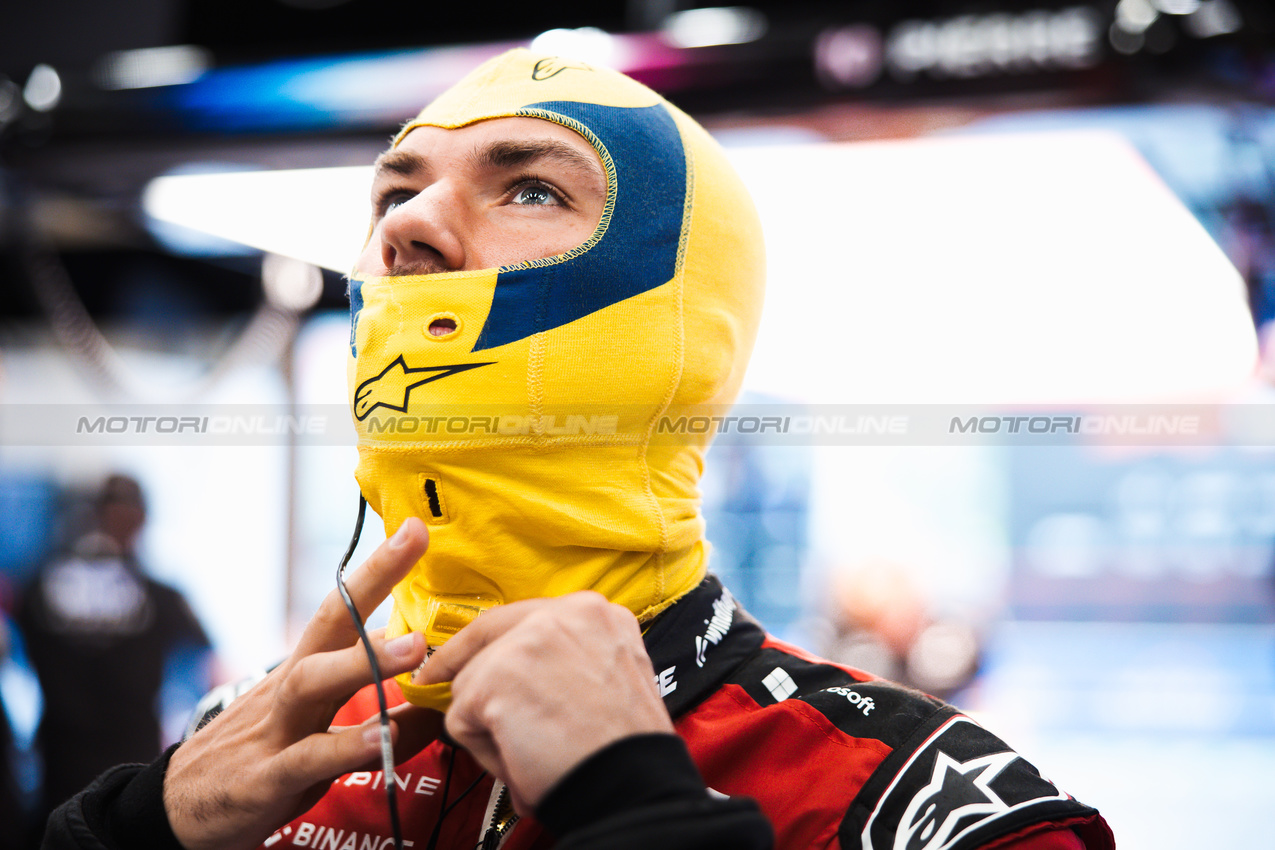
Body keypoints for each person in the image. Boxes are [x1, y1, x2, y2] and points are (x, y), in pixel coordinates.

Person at [42, 50, 1114, 850]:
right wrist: (134, 830)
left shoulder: (928, 803)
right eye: (393, 191)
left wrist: (633, 803)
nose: (409, 224)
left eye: (532, 187)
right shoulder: (258, 743)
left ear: (685, 324)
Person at [21, 474, 214, 836]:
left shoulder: (35, 587)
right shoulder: (160, 595)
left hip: (65, 771)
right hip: (122, 776)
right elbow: (213, 667)